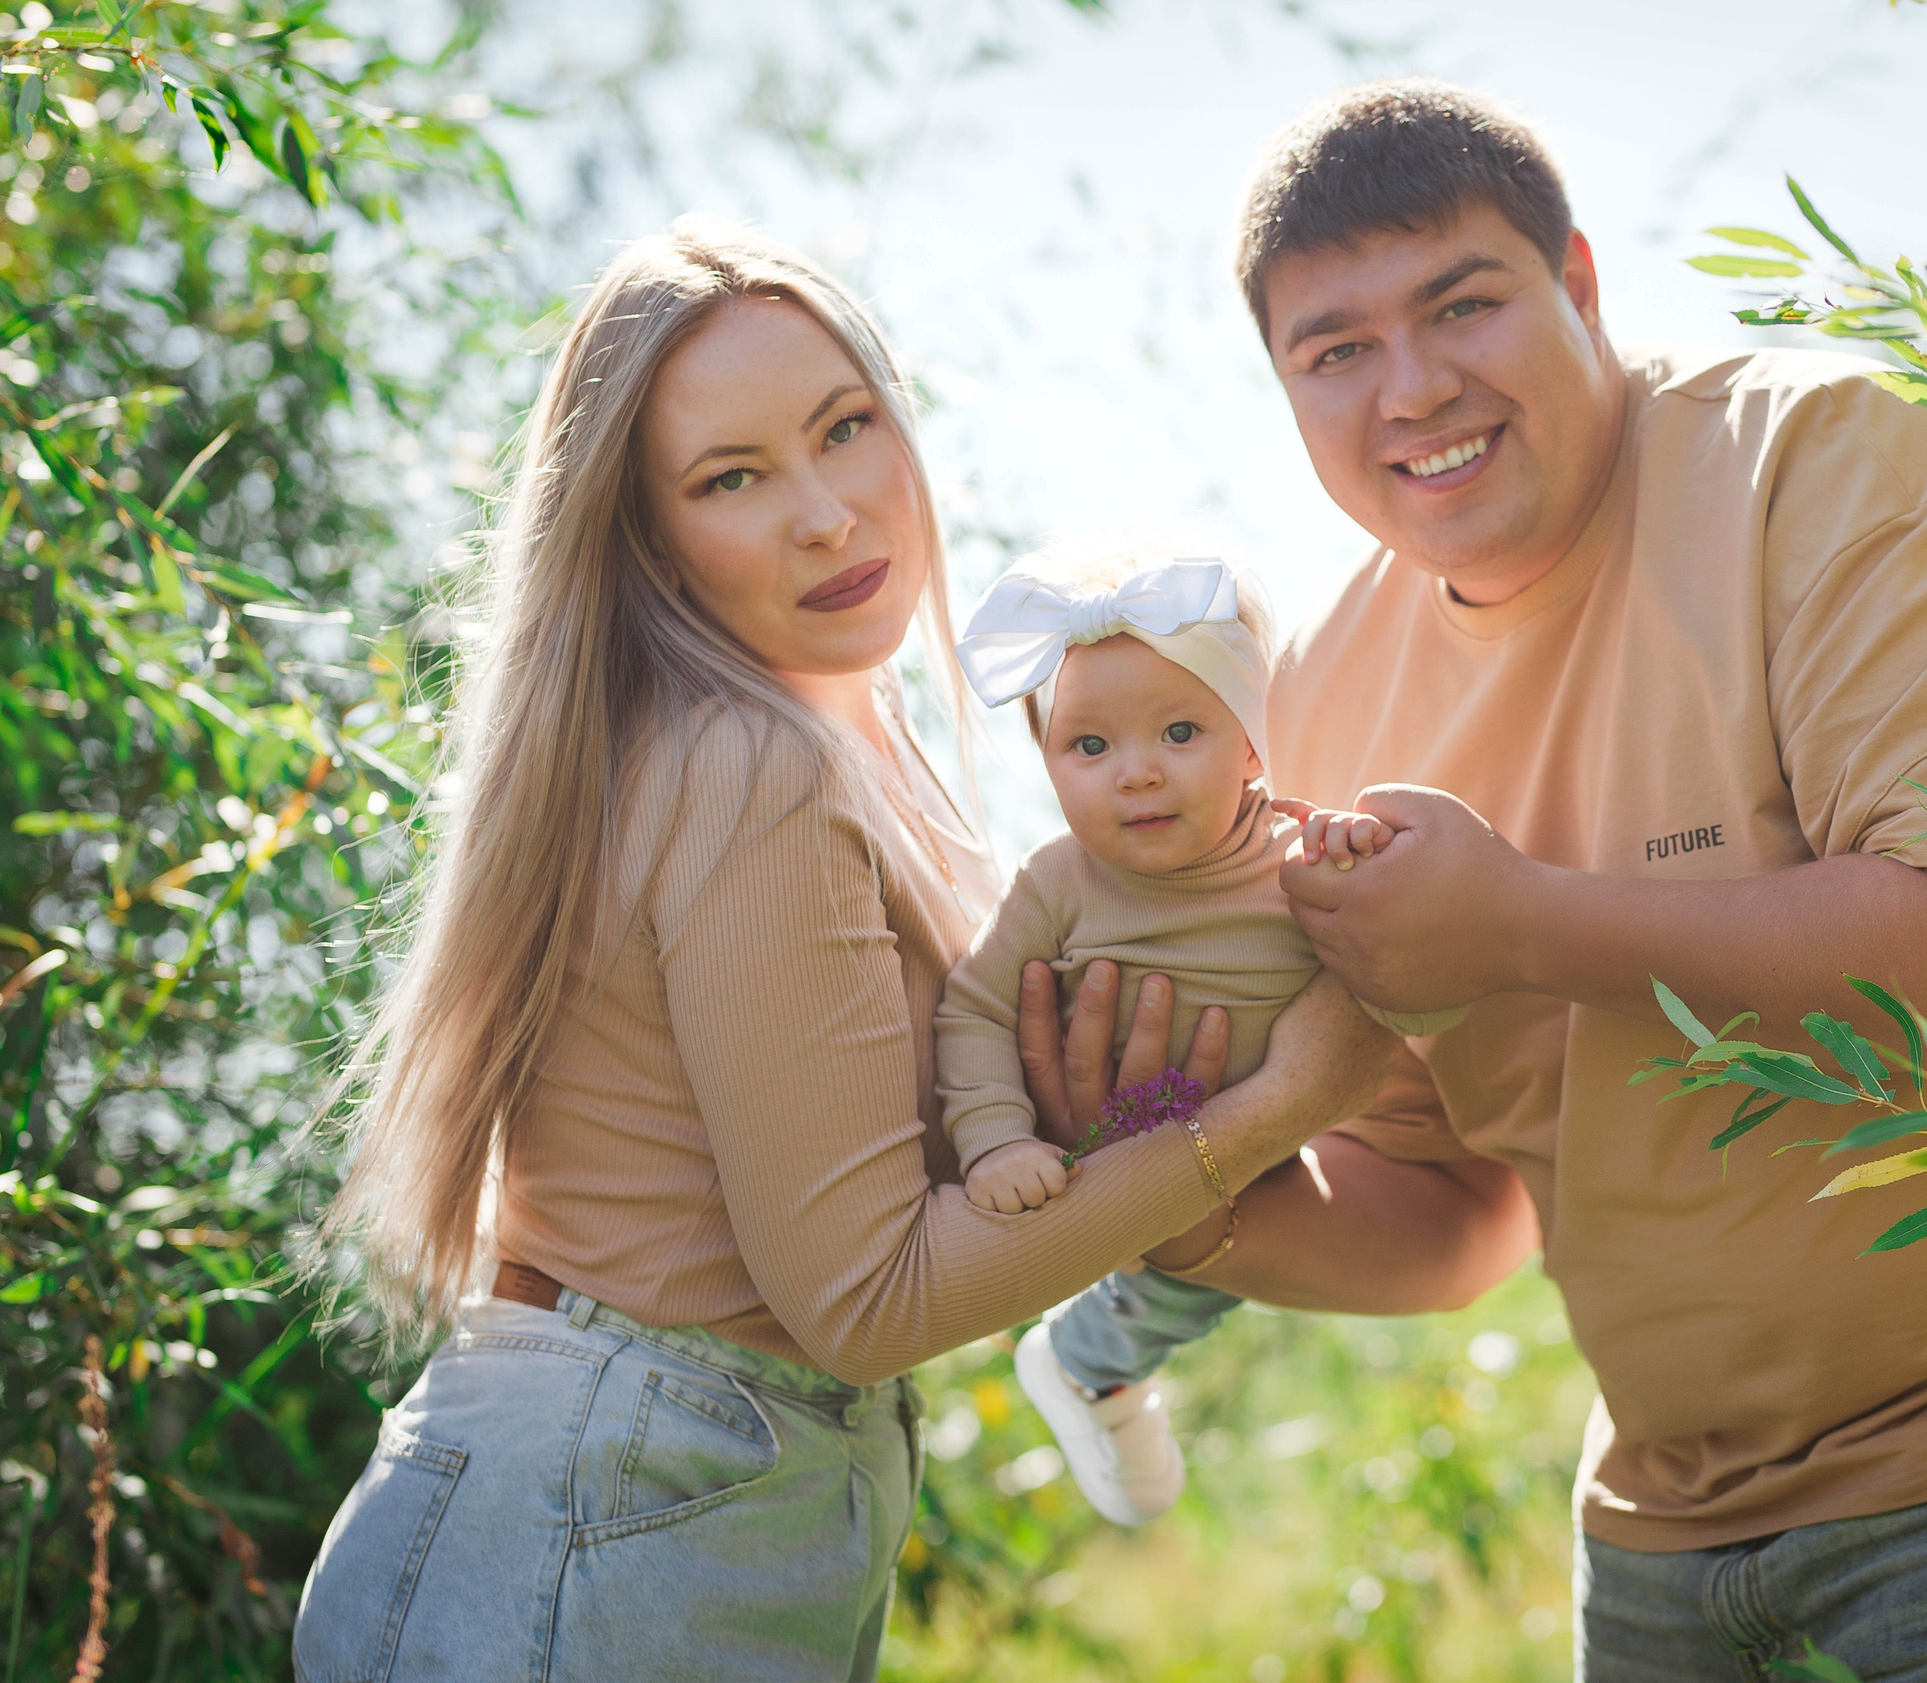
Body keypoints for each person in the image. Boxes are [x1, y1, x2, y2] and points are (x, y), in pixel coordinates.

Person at [1150, 80, 1927, 1681]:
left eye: (1461, 305)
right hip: (1668, 1540)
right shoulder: (1325, 693)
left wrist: (1521, 919)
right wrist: (1159, 1197)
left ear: (1583, 286)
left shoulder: (1839, 461)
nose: (1411, 388)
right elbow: (1457, 1210)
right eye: (1334, 352)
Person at [290, 221, 1390, 1682]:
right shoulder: (750, 764)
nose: (826, 514)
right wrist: (1286, 1103)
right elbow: (867, 1302)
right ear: (647, 537)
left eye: (845, 429)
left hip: (652, 1501)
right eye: (732, 478)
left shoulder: (848, 738)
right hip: (613, 1509)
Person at [930, 546, 1450, 1525]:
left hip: (1254, 1159)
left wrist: (1377, 878)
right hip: (1086, 1148)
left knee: (1203, 1280)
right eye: (1088, 747)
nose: (1136, 773)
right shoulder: (1057, 881)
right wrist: (996, 1134)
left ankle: (1087, 1362)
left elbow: (1426, 1005)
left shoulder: (1302, 860)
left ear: (1256, 743)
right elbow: (974, 1010)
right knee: (1142, 1274)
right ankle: (1090, 1364)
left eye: (1180, 730)